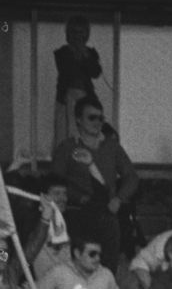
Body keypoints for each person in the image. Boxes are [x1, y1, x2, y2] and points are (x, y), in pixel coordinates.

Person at [50, 96, 139, 265]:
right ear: (78, 119)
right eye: (92, 117)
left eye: (101, 118)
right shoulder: (67, 147)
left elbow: (132, 177)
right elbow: (55, 182)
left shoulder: (112, 146)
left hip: (107, 213)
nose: (98, 122)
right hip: (77, 213)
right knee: (79, 263)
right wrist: (78, 197)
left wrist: (119, 199)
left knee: (108, 264)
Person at [52, 16, 102, 147]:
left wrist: (84, 55)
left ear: (86, 34)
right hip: (66, 97)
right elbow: (67, 71)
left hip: (86, 96)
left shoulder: (91, 53)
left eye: (81, 32)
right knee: (64, 131)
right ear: (68, 34)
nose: (77, 36)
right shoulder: (62, 52)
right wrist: (76, 54)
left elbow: (95, 72)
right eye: (74, 32)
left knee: (85, 130)